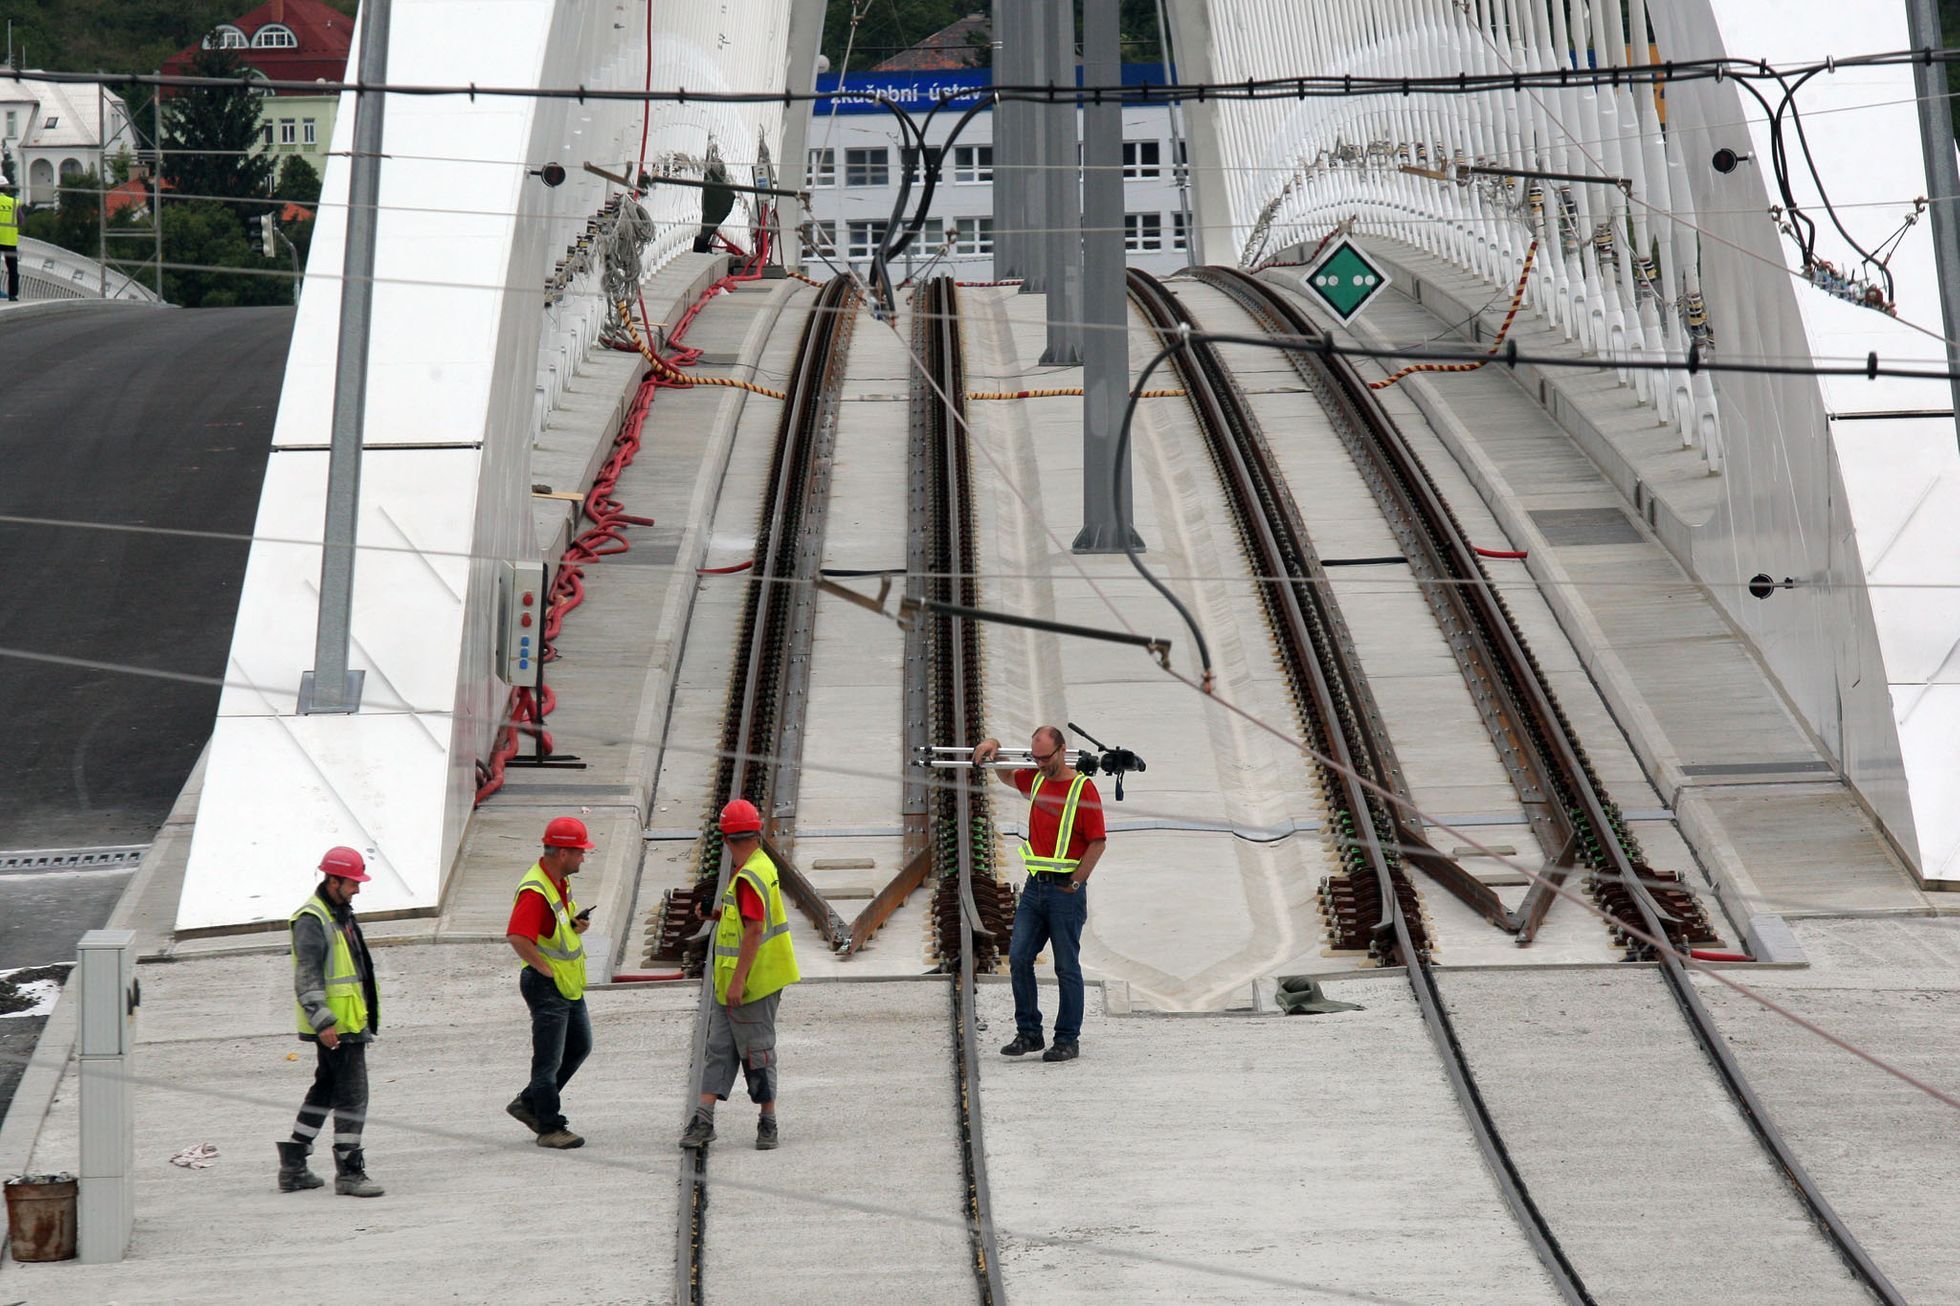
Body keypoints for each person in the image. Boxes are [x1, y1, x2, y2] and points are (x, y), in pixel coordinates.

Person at [972, 726, 1107, 1063]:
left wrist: (1075, 883)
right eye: (1036, 758)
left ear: (1062, 751)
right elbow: (1005, 774)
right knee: (1018, 957)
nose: (1041, 764)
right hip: (1035, 889)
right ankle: (1029, 1033)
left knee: (1066, 967)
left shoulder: (1082, 790)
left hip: (1065, 892)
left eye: (1046, 758)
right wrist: (994, 745)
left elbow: (1098, 841)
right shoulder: (1035, 780)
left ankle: (1066, 1039)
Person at [679, 798, 799, 1151]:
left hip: (752, 982)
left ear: (728, 839)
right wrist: (717, 916)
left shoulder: (749, 875)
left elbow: (755, 930)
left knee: (758, 1051)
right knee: (718, 1048)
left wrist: (737, 982)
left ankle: (768, 1122)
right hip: (732, 981)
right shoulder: (759, 864)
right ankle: (703, 1118)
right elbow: (746, 919)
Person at [280, 846, 384, 1197]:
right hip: (338, 1025)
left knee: (325, 1088)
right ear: (333, 879)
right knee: (353, 1095)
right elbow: (306, 977)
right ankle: (349, 1171)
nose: (357, 888)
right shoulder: (313, 919)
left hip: (348, 1019)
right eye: (353, 882)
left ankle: (294, 1164)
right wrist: (323, 1022)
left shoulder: (339, 912)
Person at [505, 815, 596, 1149]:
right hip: (548, 985)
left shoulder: (558, 881)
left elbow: (551, 929)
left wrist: (573, 925)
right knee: (548, 1062)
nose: (584, 857)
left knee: (579, 1047)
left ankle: (528, 1103)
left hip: (566, 984)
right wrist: (544, 969)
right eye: (580, 852)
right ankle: (549, 1126)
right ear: (562, 854)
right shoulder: (535, 890)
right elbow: (517, 936)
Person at [0, 179, 18, 301]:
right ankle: (12, 295)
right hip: (10, 240)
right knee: (12, 269)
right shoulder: (14, 202)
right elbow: (21, 220)